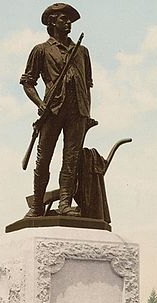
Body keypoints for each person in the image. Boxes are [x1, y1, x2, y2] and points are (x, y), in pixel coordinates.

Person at [20, 3, 93, 217]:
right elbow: (27, 82)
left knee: (71, 160)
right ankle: (36, 206)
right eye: (63, 19)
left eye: (70, 19)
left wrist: (87, 114)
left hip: (77, 111)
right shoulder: (41, 50)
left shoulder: (82, 51)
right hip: (52, 110)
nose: (68, 22)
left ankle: (64, 204)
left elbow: (87, 85)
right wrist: (40, 104)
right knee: (43, 159)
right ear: (52, 22)